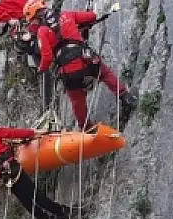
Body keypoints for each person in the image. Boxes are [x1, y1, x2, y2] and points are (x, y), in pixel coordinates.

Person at [25, 0, 138, 128]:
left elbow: (47, 57)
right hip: (85, 59)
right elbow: (92, 17)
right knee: (105, 74)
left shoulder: (42, 31)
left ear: (36, 16)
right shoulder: (66, 15)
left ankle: (86, 127)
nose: (31, 24)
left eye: (31, 20)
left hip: (68, 71)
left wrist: (42, 69)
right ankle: (125, 96)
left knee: (76, 99)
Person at [0, 97, 71, 219]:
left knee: (25, 199)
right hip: (9, 166)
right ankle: (61, 211)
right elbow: (9, 133)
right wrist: (33, 133)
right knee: (33, 193)